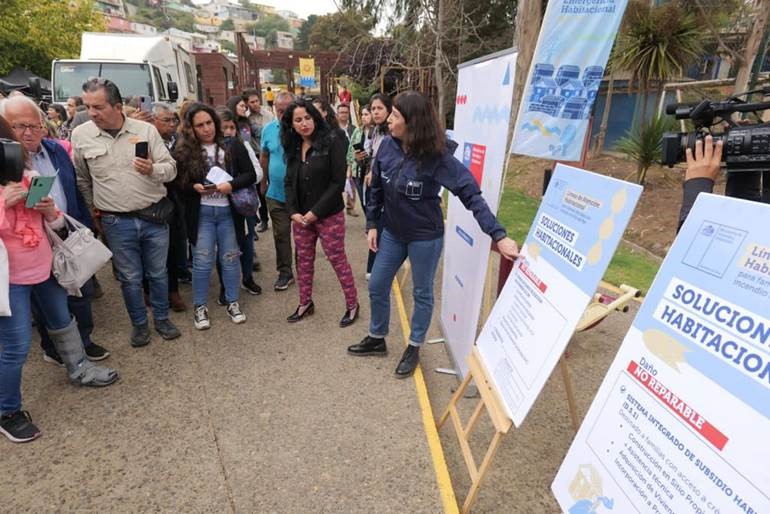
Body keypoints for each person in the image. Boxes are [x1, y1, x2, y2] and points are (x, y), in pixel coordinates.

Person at [347, 91, 520, 378]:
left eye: (395, 116)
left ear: (413, 122)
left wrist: (498, 235)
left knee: (422, 292)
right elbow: (376, 187)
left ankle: (414, 346)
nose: (388, 120)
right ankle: (377, 338)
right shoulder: (387, 147)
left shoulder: (437, 157)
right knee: (377, 283)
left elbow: (470, 194)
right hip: (392, 232)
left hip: (424, 236)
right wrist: (372, 225)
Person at [0, 115, 118, 443]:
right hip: (9, 279)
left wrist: (49, 212)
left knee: (62, 320)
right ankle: (8, 410)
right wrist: (3, 204)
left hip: (44, 266)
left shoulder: (29, 175)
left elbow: (52, 227)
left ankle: (79, 367)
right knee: (16, 346)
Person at [0, 95, 111, 364]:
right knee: (43, 306)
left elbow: (73, 187)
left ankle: (83, 343)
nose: (28, 132)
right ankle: (53, 350)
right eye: (19, 126)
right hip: (24, 252)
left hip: (62, 231)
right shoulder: (5, 162)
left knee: (79, 292)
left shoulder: (57, 150)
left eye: (34, 125)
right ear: (5, 129)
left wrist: (85, 223)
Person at [72, 77, 181, 347]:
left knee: (157, 274)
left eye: (98, 106)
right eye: (87, 106)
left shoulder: (145, 130)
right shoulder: (81, 135)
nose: (92, 113)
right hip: (115, 221)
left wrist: (153, 169)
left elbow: (171, 168)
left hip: (154, 216)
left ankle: (162, 319)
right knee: (129, 278)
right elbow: (83, 180)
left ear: (117, 106)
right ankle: (139, 325)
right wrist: (93, 212)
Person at [174, 103, 255, 330]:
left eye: (209, 123)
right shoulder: (184, 151)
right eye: (200, 125)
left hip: (228, 211)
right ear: (191, 128)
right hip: (202, 213)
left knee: (230, 258)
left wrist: (231, 185)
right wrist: (194, 187)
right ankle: (200, 306)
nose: (206, 128)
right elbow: (177, 183)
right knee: (202, 261)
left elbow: (250, 175)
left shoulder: (232, 145)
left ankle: (233, 301)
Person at [281, 98, 358, 326]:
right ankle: (305, 303)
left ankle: (352, 304)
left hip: (328, 215)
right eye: (298, 120)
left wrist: (315, 212)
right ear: (291, 124)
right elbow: (288, 181)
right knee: (303, 260)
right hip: (301, 217)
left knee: (337, 258)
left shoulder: (333, 140)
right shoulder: (293, 145)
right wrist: (292, 211)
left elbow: (337, 183)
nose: (304, 123)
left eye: (307, 117)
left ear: (316, 117)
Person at [217, 107, 263, 297]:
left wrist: (235, 183)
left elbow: (256, 173)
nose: (228, 132)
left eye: (231, 128)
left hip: (243, 205)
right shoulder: (211, 151)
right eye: (224, 128)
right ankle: (225, 285)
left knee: (246, 243)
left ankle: (247, 277)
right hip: (220, 205)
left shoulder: (242, 146)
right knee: (224, 248)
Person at [149, 101, 186, 312]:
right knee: (152, 251)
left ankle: (173, 290)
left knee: (173, 246)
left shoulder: (179, 139)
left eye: (174, 120)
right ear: (153, 122)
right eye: (166, 120)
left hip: (176, 198)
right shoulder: (145, 139)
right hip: (153, 199)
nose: (172, 124)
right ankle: (150, 291)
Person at [260, 91, 295, 291]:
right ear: (275, 110)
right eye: (280, 111)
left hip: (299, 195)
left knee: (302, 236)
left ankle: (305, 268)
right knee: (281, 234)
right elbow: (264, 157)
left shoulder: (302, 129)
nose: (283, 115)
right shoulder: (268, 130)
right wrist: (263, 182)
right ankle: (285, 272)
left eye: (287, 111)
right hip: (275, 193)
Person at [363, 93, 392, 279]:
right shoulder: (375, 131)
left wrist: (376, 171)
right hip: (373, 183)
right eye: (373, 109)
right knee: (375, 225)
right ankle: (374, 267)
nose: (375, 112)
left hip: (386, 186)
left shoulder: (393, 132)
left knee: (381, 226)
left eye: (379, 108)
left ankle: (375, 268)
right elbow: (373, 155)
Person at [242, 88, 273, 233]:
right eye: (252, 102)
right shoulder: (245, 118)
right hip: (254, 155)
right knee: (259, 189)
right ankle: (263, 219)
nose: (256, 104)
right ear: (247, 103)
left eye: (257, 101)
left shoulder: (268, 115)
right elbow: (245, 139)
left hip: (269, 154)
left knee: (272, 185)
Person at [346, 105, 373, 213]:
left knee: (372, 202)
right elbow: (350, 152)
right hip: (358, 171)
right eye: (362, 114)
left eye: (366, 114)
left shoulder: (377, 132)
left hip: (371, 171)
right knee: (363, 202)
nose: (363, 117)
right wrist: (349, 170)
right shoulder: (357, 131)